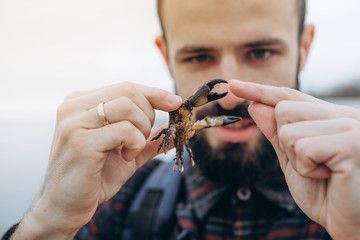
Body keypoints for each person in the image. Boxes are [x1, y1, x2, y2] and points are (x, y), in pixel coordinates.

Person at [3, 0, 360, 239]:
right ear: (166, 55)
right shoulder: (111, 203)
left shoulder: (350, 202)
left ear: (304, 47)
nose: (232, 93)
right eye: (199, 56)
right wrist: (47, 223)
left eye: (261, 51)